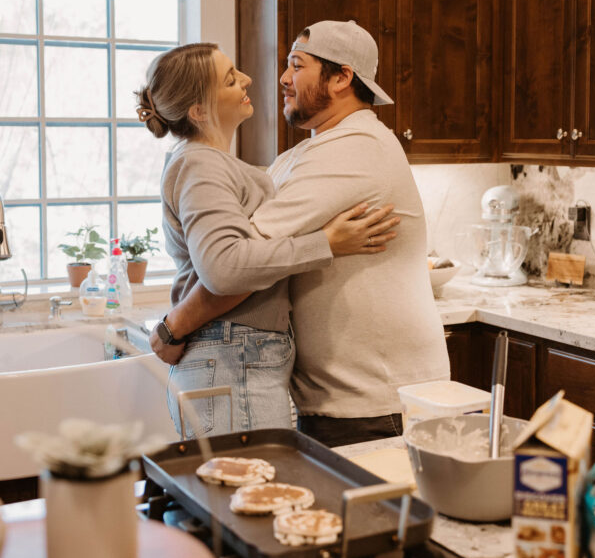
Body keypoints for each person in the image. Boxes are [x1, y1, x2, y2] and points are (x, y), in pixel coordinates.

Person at [151, 22, 449, 447]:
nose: (282, 79)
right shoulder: (298, 157)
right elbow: (236, 263)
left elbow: (235, 264)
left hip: (373, 400)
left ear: (342, 77)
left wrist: (173, 327)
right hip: (338, 397)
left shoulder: (355, 147)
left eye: (297, 65)